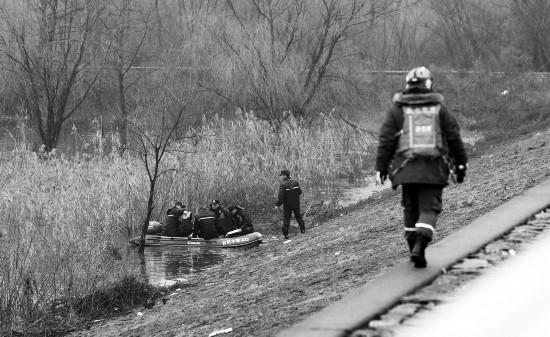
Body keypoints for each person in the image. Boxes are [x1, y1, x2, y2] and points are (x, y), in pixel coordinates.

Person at [375, 66, 468, 268]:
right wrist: (461, 164)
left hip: (405, 170)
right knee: (429, 208)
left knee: (411, 208)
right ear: (429, 84)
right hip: (434, 169)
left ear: (408, 85)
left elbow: (386, 141)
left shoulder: (398, 110)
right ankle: (420, 247)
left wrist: (381, 168)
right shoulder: (439, 109)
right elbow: (453, 137)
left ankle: (413, 249)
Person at [275, 169, 305, 239]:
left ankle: (286, 235)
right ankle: (303, 230)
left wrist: (277, 205)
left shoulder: (283, 185)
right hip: (296, 204)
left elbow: (281, 197)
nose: (281, 177)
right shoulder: (295, 182)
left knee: (286, 219)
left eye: (281, 175)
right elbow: (300, 192)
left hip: (287, 205)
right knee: (298, 216)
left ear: (284, 176)